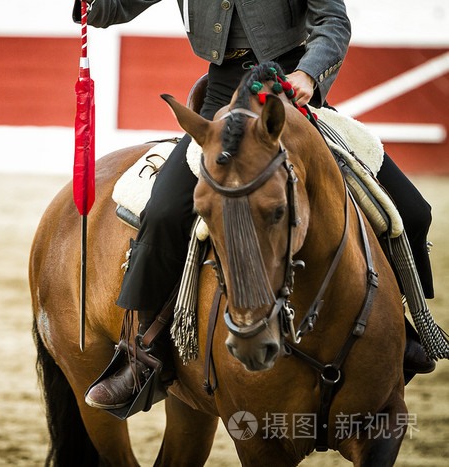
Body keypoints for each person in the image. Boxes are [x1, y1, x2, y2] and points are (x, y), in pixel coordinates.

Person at [73, 0, 435, 411]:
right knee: (163, 213)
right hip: (223, 96)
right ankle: (143, 353)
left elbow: (332, 21)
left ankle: (402, 331)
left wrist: (308, 72)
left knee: (412, 211)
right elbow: (112, 8)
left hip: (292, 95)